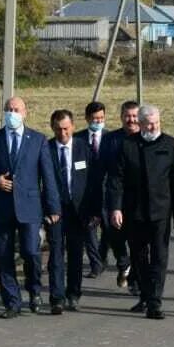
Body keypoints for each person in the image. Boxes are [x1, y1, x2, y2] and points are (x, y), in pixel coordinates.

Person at [0, 96, 62, 319]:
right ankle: (11, 302)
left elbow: (48, 177)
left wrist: (53, 208)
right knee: (4, 257)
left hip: (30, 207)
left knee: (31, 252)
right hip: (2, 208)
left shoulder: (38, 140)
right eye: (8, 109)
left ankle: (34, 291)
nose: (12, 113)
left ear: (25, 113)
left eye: (16, 109)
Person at [105, 105, 174, 320]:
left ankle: (154, 302)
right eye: (149, 123)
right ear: (140, 124)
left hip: (161, 211)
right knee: (139, 257)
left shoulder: (169, 143)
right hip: (135, 211)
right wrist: (116, 207)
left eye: (157, 123)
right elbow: (116, 180)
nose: (154, 127)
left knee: (160, 256)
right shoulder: (127, 145)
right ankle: (147, 295)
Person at [46, 109, 96, 314]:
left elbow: (93, 181)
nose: (63, 133)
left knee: (75, 254)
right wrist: (47, 209)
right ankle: (56, 298)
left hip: (79, 211)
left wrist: (94, 210)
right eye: (58, 129)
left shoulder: (84, 148)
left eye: (66, 129)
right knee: (56, 254)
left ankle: (73, 294)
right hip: (55, 211)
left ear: (73, 127)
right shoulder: (46, 149)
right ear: (52, 128)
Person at [99, 101, 140, 293]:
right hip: (113, 196)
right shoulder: (110, 140)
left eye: (134, 116)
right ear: (121, 117)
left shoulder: (145, 139)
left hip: (137, 198)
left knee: (137, 240)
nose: (131, 120)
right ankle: (124, 263)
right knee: (113, 233)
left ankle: (136, 282)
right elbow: (100, 169)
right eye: (127, 116)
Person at [75, 101, 108, 278]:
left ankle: (103, 256)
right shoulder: (77, 139)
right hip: (85, 193)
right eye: (95, 118)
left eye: (101, 118)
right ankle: (96, 264)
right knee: (89, 229)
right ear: (87, 118)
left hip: (106, 192)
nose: (98, 121)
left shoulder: (111, 138)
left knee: (108, 229)